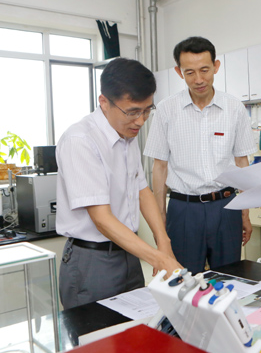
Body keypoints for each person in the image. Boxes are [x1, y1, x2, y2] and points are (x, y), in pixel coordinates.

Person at [56, 58, 181, 310]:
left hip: (128, 253)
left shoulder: (127, 135)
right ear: (104, 102)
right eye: (132, 112)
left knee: (135, 329)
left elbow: (142, 190)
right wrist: (158, 258)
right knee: (97, 333)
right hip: (92, 261)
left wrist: (163, 241)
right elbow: (101, 219)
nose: (141, 121)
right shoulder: (80, 140)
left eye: (147, 110)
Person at [144, 36, 255, 275]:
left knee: (229, 279)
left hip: (227, 206)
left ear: (216, 66)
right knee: (183, 281)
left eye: (204, 70)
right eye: (190, 72)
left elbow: (242, 162)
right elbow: (159, 166)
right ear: (179, 72)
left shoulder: (234, 108)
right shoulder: (166, 110)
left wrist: (245, 213)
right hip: (183, 210)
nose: (199, 80)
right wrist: (160, 222)